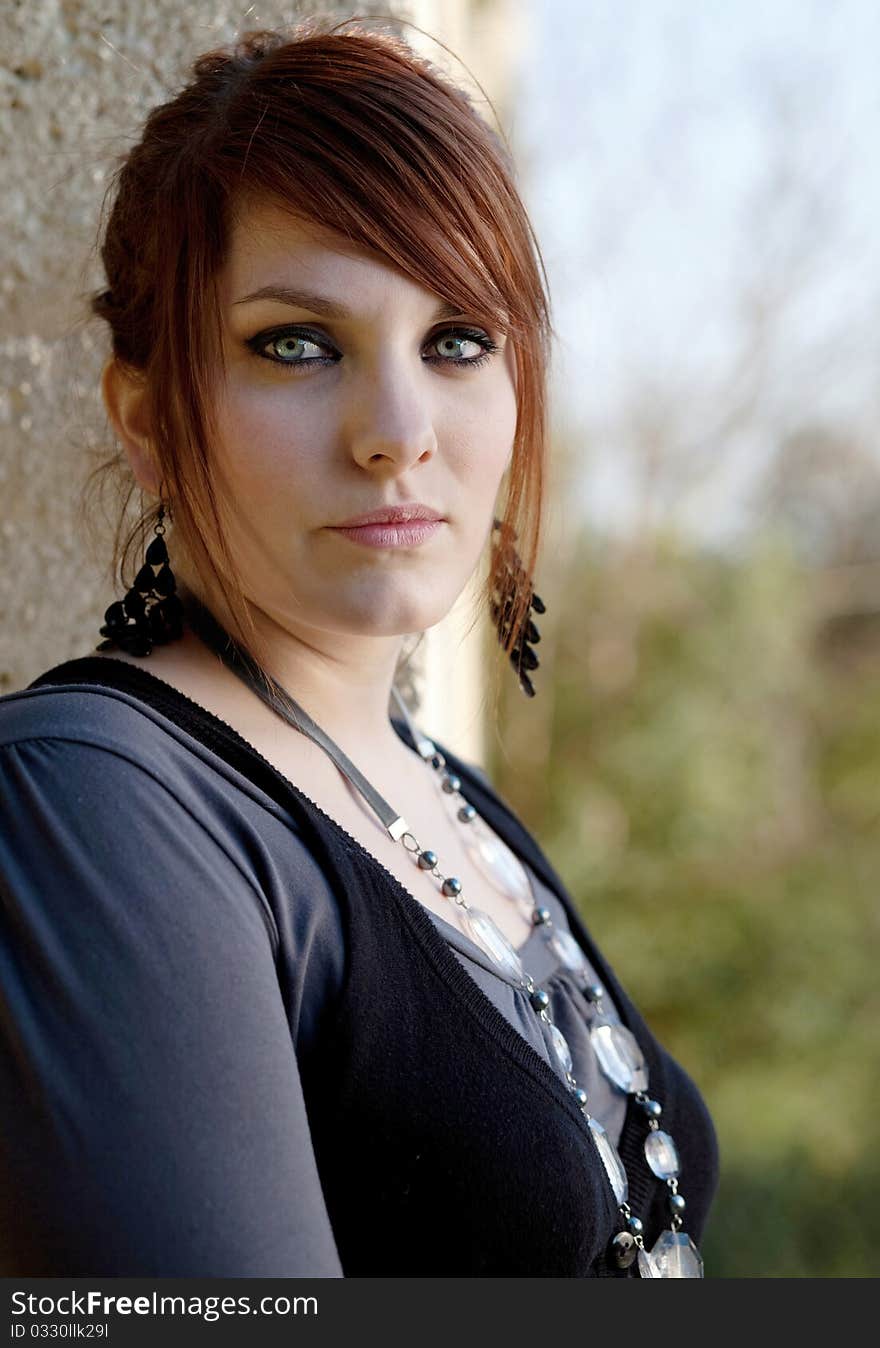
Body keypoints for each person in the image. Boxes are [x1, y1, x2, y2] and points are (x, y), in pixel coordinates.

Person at [0, 19, 719, 1277]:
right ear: (148, 417)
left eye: (457, 341)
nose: (397, 430)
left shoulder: (439, 786)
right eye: (297, 344)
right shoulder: (91, 801)